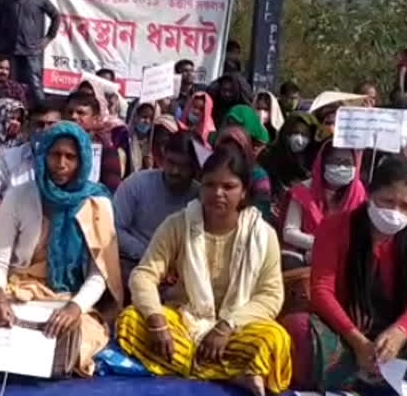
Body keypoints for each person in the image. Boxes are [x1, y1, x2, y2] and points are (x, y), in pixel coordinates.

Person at [116, 145, 291, 395]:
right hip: (186, 320)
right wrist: (156, 321)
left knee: (275, 340)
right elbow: (144, 274)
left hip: (237, 328)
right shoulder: (178, 224)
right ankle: (230, 372)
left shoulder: (262, 234)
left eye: (228, 187)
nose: (218, 193)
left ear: (243, 192)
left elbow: (271, 296)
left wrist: (226, 326)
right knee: (130, 321)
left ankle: (193, 365)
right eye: (209, 185)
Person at [282, 156, 407, 393]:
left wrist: (398, 333)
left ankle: (361, 375)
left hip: (394, 342)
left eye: (406, 207)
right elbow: (322, 289)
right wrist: (358, 341)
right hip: (342, 333)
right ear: (370, 195)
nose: (395, 212)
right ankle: (367, 375)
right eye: (387, 201)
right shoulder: (337, 227)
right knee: (296, 330)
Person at [0, 121, 123, 376]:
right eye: (55, 155)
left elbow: (98, 274)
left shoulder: (98, 204)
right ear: (42, 155)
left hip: (69, 298)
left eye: (70, 157)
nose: (61, 164)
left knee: (75, 344)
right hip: (19, 290)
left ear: (82, 161)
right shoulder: (19, 195)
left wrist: (75, 307)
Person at [114, 132, 200, 285]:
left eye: (183, 166)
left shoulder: (200, 197)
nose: (174, 171)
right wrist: (150, 255)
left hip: (178, 273)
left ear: (194, 167)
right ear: (163, 157)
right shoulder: (137, 184)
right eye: (171, 162)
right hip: (134, 261)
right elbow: (116, 229)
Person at [279, 141, 366, 269]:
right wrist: (322, 245)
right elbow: (289, 232)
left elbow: (361, 233)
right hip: (305, 254)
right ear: (322, 163)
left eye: (347, 163)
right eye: (335, 161)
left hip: (345, 257)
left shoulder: (358, 192)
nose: (341, 167)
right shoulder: (303, 190)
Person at [0, 0, 60, 105]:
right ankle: (14, 110)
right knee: (11, 85)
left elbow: (56, 16)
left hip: (31, 50)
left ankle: (40, 112)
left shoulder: (41, 0)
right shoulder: (8, 1)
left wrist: (48, 37)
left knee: (35, 84)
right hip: (11, 51)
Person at [0, 103, 62, 208]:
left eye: (51, 124)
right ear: (29, 127)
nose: (45, 130)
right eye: (39, 125)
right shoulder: (8, 159)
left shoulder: (74, 158)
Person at [64, 92, 123, 193]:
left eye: (80, 113)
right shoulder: (55, 145)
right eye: (69, 112)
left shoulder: (105, 149)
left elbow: (112, 189)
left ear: (95, 119)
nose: (73, 116)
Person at [261, 112, 318, 200]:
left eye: (305, 135)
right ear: (286, 132)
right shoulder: (269, 156)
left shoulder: (313, 160)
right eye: (295, 132)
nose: (299, 139)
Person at [0, 98, 27, 163]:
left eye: (19, 119)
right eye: (11, 118)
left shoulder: (20, 145)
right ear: (0, 117)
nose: (16, 123)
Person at [127, 102, 156, 172]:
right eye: (144, 117)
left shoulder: (153, 141)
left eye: (151, 118)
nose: (147, 121)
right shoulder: (126, 138)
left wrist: (151, 166)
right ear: (135, 117)